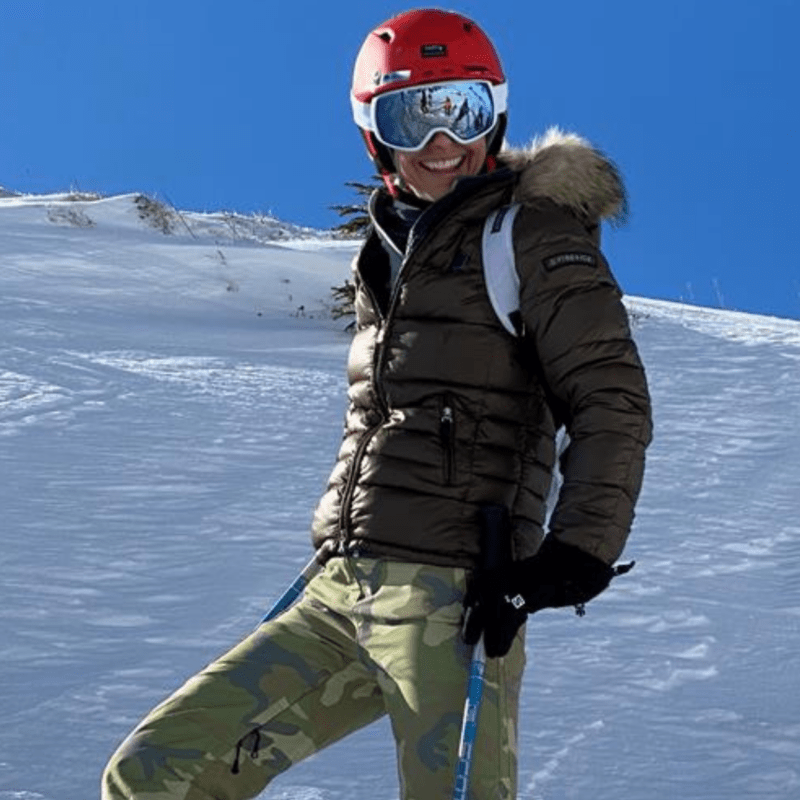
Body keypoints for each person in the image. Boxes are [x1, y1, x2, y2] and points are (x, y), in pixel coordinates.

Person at [102, 9, 652, 800]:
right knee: (155, 772)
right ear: (373, 130)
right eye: (411, 114)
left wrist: (576, 554)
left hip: (453, 598)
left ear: (494, 113)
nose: (442, 143)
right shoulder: (388, 257)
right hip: (341, 587)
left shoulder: (527, 234)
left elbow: (611, 397)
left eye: (461, 110)